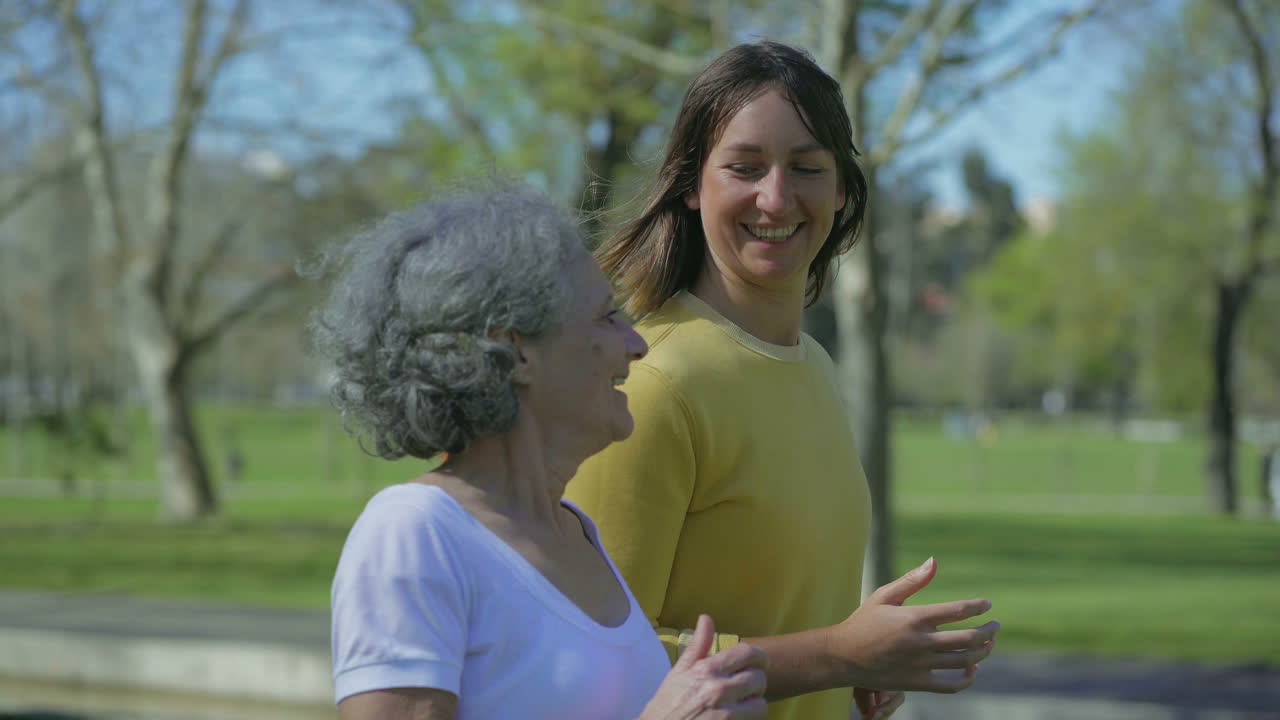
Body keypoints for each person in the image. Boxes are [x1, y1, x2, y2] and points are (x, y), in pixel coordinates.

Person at [565, 40, 1000, 720]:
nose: (776, 197)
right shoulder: (653, 382)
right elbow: (589, 653)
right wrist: (837, 654)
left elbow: (780, 616)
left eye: (807, 167)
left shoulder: (816, 369)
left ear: (841, 189)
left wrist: (851, 663)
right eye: (744, 167)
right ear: (689, 182)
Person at [314, 184, 769, 719]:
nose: (635, 343)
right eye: (605, 317)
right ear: (515, 351)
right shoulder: (414, 533)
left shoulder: (578, 533)